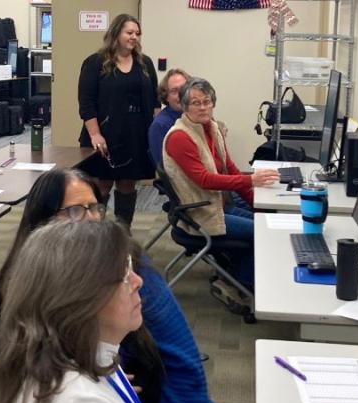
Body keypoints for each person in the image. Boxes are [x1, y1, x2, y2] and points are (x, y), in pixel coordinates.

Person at [0, 168, 257, 403]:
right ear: (79, 296)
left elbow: (181, 357)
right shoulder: (71, 401)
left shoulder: (94, 355)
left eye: (95, 207)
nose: (139, 281)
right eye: (123, 274)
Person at [163, 77, 279, 288]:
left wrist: (258, 204)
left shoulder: (211, 128)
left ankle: (235, 275)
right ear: (184, 106)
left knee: (266, 222)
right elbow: (204, 180)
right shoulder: (180, 137)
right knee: (261, 232)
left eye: (207, 101)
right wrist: (251, 179)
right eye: (196, 103)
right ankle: (240, 285)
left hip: (218, 204)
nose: (203, 107)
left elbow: (230, 169)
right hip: (200, 215)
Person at [78, 13, 160, 226]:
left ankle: (123, 234)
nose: (134, 37)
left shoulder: (145, 63)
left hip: (134, 135)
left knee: (127, 185)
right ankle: (96, 234)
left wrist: (156, 135)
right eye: (129, 32)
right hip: (104, 135)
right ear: (116, 33)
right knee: (102, 185)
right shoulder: (95, 62)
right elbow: (86, 103)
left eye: (137, 33)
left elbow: (155, 102)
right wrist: (95, 134)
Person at [149, 68, 190, 167]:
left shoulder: (196, 116)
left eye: (184, 89)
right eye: (174, 91)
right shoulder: (160, 126)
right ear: (166, 96)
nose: (181, 95)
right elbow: (164, 168)